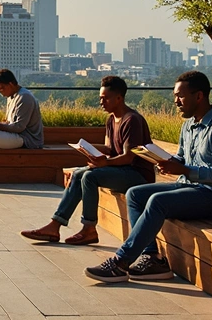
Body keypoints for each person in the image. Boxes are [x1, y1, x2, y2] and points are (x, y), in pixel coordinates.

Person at [85, 70, 212, 283]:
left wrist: (186, 171)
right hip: (189, 187)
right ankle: (151, 257)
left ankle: (121, 262)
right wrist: (166, 161)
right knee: (134, 194)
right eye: (175, 96)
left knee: (158, 201)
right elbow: (181, 158)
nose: (176, 101)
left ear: (199, 96)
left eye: (180, 96)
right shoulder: (189, 125)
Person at [21, 76, 153, 245]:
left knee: (90, 177)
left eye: (105, 98)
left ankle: (89, 229)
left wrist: (105, 163)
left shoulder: (132, 120)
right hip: (121, 170)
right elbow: (109, 149)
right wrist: (87, 149)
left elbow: (128, 157)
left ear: (119, 98)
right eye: (100, 98)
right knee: (78, 173)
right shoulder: (112, 119)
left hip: (137, 175)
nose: (101, 102)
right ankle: (54, 226)